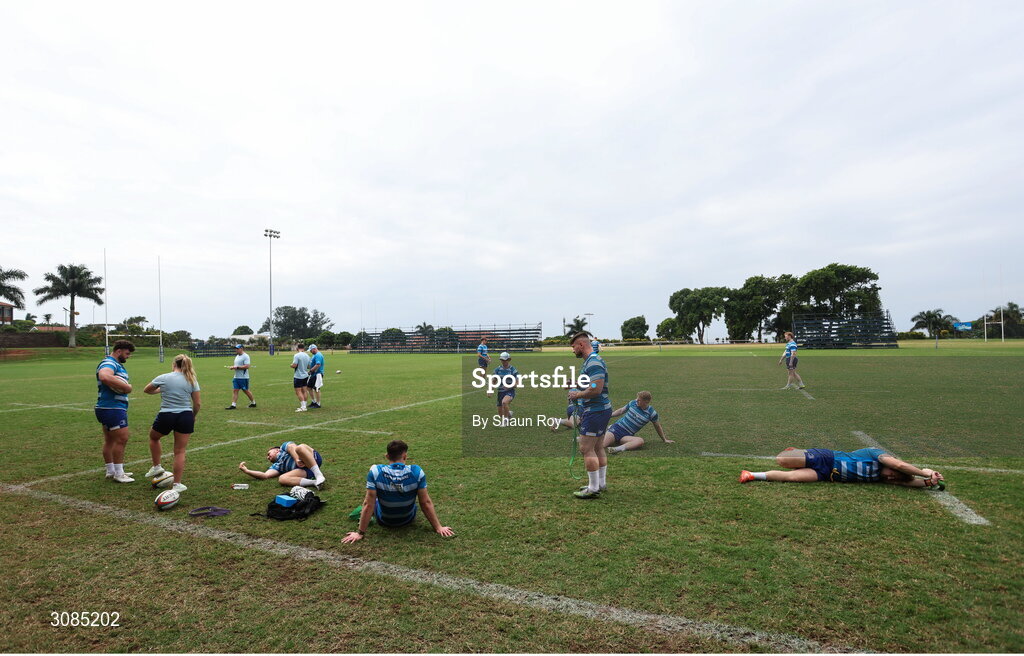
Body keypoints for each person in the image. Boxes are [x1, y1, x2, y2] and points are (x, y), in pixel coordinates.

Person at [342, 440, 454, 543]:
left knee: (373, 496)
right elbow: (425, 503)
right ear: (405, 456)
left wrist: (360, 533)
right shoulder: (417, 471)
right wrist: (438, 527)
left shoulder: (376, 471)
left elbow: (368, 504)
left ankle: (364, 517)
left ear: (387, 456)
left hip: (384, 520)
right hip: (408, 519)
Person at [739, 447, 946, 488]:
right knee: (782, 460)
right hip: (826, 458)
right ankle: (796, 451)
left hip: (827, 474)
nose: (892, 478)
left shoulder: (883, 478)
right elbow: (900, 465)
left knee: (791, 478)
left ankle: (751, 475)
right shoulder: (876, 455)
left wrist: (929, 481)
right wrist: (924, 471)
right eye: (894, 475)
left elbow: (908, 482)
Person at [142, 354, 201, 492]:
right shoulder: (191, 379)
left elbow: (147, 390)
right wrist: (193, 416)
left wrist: (161, 389)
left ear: (174, 364)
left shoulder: (163, 377)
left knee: (153, 437)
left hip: (166, 414)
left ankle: (157, 466)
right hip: (185, 416)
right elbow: (197, 403)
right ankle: (177, 484)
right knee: (180, 451)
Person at [567, 331, 612, 499]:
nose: (572, 351)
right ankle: (600, 483)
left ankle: (593, 488)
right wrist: (575, 384)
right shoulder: (590, 362)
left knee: (586, 448)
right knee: (598, 447)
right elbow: (589, 383)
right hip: (600, 410)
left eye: (573, 347)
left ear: (581, 345)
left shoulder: (593, 362)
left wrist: (576, 395)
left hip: (596, 411)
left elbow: (596, 389)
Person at [95, 340, 136, 483]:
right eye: (127, 353)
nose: (128, 356)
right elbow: (104, 376)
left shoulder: (115, 364)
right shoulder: (109, 363)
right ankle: (119, 473)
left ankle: (111, 470)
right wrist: (127, 388)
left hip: (106, 407)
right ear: (118, 351)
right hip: (112, 408)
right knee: (122, 438)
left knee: (110, 440)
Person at [602, 391, 674, 454]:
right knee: (602, 445)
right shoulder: (633, 403)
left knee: (640, 441)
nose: (636, 401)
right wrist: (609, 415)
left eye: (639, 400)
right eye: (637, 399)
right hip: (616, 429)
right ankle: (608, 430)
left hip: (627, 435)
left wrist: (664, 439)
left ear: (646, 402)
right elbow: (621, 411)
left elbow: (657, 426)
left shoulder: (651, 413)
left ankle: (616, 449)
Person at [238, 441, 326, 488]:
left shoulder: (283, 447)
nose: (268, 457)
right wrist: (247, 471)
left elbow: (292, 447)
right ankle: (315, 482)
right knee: (282, 479)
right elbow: (265, 475)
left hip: (312, 458)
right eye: (268, 458)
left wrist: (297, 460)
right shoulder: (277, 466)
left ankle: (319, 475)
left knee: (300, 447)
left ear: (276, 450)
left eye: (269, 454)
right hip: (306, 471)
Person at [225, 344, 256, 409]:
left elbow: (247, 366)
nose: (236, 350)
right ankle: (233, 405)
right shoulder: (237, 356)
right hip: (236, 377)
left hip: (243, 377)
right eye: (235, 348)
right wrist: (233, 367)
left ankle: (253, 403)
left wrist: (237, 367)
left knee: (246, 390)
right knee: (235, 390)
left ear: (241, 348)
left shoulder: (246, 356)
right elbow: (236, 365)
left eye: (237, 348)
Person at [493, 352, 518, 426]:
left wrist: (509, 386)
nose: (504, 362)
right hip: (500, 392)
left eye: (505, 360)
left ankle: (506, 420)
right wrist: (490, 389)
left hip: (509, 391)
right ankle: (509, 414)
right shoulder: (497, 370)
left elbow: (517, 383)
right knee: (501, 414)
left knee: (504, 402)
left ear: (509, 360)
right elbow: (493, 381)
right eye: (502, 360)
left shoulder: (513, 370)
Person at [291, 343, 311, 412]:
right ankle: (304, 405)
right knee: (304, 390)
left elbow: (294, 365)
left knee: (298, 391)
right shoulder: (307, 355)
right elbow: (309, 366)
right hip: (305, 375)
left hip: (298, 376)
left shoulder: (296, 355)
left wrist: (291, 365)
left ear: (297, 348)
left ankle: (303, 407)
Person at [306, 344, 325, 408]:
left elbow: (318, 364)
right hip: (313, 374)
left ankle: (318, 403)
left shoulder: (318, 355)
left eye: (311, 350)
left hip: (318, 374)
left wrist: (311, 371)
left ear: (314, 349)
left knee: (316, 388)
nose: (310, 352)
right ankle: (313, 401)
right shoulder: (315, 355)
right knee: (308, 387)